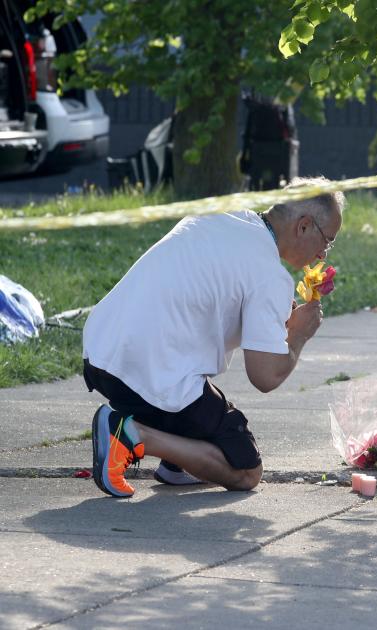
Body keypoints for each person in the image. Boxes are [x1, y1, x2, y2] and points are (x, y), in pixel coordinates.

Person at [82, 178, 344, 498]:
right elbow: (265, 376)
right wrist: (299, 335)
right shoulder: (269, 275)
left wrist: (275, 320)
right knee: (246, 470)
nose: (322, 256)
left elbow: (204, 295)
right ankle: (131, 435)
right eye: (327, 241)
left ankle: (176, 463)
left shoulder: (222, 214)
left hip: (101, 353)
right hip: (148, 373)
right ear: (304, 226)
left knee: (209, 406)